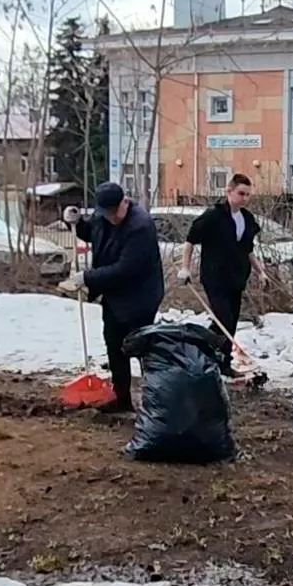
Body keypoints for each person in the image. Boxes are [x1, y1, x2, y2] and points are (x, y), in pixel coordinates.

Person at [59, 182, 164, 413]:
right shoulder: (103, 214)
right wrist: (73, 222)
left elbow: (126, 268)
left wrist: (87, 277)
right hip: (115, 294)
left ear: (124, 202)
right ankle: (121, 397)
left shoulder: (140, 226)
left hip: (140, 295)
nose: (110, 218)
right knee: (114, 344)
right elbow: (93, 234)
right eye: (105, 214)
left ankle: (156, 400)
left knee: (141, 347)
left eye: (114, 213)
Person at [176, 173, 267, 376]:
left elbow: (248, 249)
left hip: (237, 278)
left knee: (231, 322)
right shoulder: (213, 216)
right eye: (241, 193)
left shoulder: (247, 219)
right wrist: (185, 268)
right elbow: (190, 241)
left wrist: (260, 271)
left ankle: (222, 364)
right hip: (215, 277)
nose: (244, 198)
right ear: (229, 191)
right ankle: (200, 350)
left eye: (247, 195)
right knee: (223, 319)